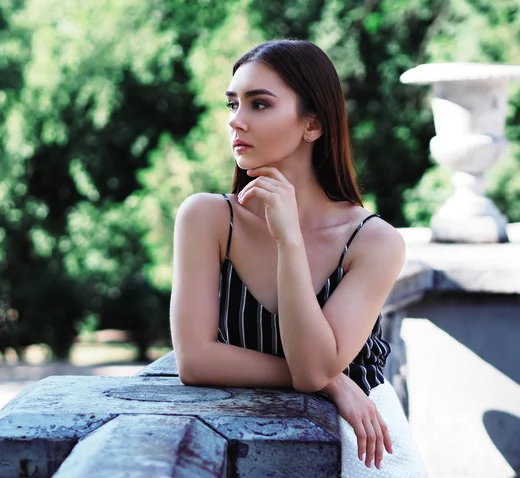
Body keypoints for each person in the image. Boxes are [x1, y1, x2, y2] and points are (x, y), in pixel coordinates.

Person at [170, 39, 426, 476]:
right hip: (248, 448)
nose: (236, 121)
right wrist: (336, 382)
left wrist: (288, 240)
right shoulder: (208, 218)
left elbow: (311, 369)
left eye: (259, 104)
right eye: (233, 103)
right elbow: (194, 360)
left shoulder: (373, 241)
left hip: (364, 446)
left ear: (313, 125)